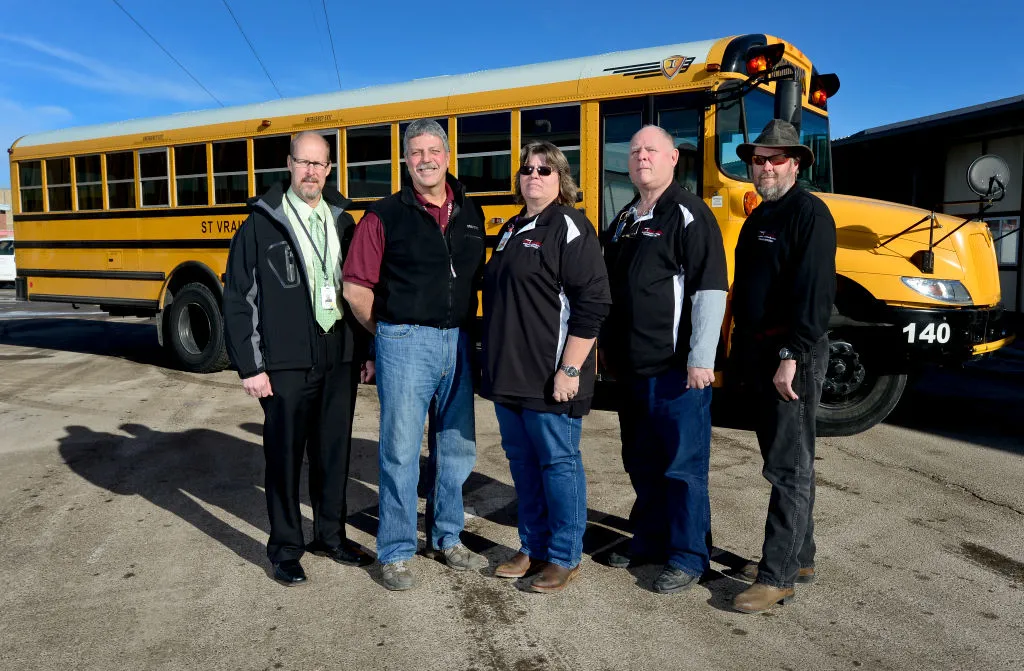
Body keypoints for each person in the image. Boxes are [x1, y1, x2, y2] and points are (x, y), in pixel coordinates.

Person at [342, 119, 487, 591]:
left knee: (456, 447)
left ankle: (447, 537)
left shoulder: (471, 211)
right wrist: (386, 333)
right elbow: (355, 287)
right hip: (405, 343)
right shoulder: (382, 216)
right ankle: (397, 550)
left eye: (433, 150)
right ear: (404, 160)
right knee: (401, 450)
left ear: (447, 155)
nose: (425, 158)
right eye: (415, 151)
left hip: (459, 341)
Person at [224, 131, 373, 586]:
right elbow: (238, 298)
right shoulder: (260, 223)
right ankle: (286, 548)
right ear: (289, 165)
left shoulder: (345, 221)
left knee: (334, 453)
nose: (311, 172)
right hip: (286, 360)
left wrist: (363, 353)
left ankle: (330, 534)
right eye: (303, 162)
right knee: (284, 458)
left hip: (339, 352)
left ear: (330, 169)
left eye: (319, 164)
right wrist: (251, 366)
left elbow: (362, 288)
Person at [601, 125, 728, 594]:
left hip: (676, 370)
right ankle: (650, 540)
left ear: (674, 158)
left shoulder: (688, 213)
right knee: (641, 461)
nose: (641, 158)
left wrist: (701, 359)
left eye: (650, 150)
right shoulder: (626, 218)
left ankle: (689, 555)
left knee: (682, 466)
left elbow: (710, 288)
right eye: (633, 151)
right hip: (632, 370)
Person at [481, 142, 611, 593]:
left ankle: (564, 554)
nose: (533, 176)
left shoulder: (570, 226)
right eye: (526, 169)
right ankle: (532, 544)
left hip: (549, 376)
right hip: (508, 376)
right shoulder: (514, 226)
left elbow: (592, 304)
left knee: (558, 464)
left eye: (544, 169)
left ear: (561, 179)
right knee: (522, 465)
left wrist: (570, 370)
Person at [728, 119, 837, 614]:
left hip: (791, 355)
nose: (765, 166)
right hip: (761, 355)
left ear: (796, 163)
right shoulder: (760, 217)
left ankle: (777, 575)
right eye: (758, 159)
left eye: (776, 159)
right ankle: (802, 558)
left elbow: (814, 293)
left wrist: (791, 355)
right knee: (787, 460)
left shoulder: (808, 213)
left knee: (787, 468)